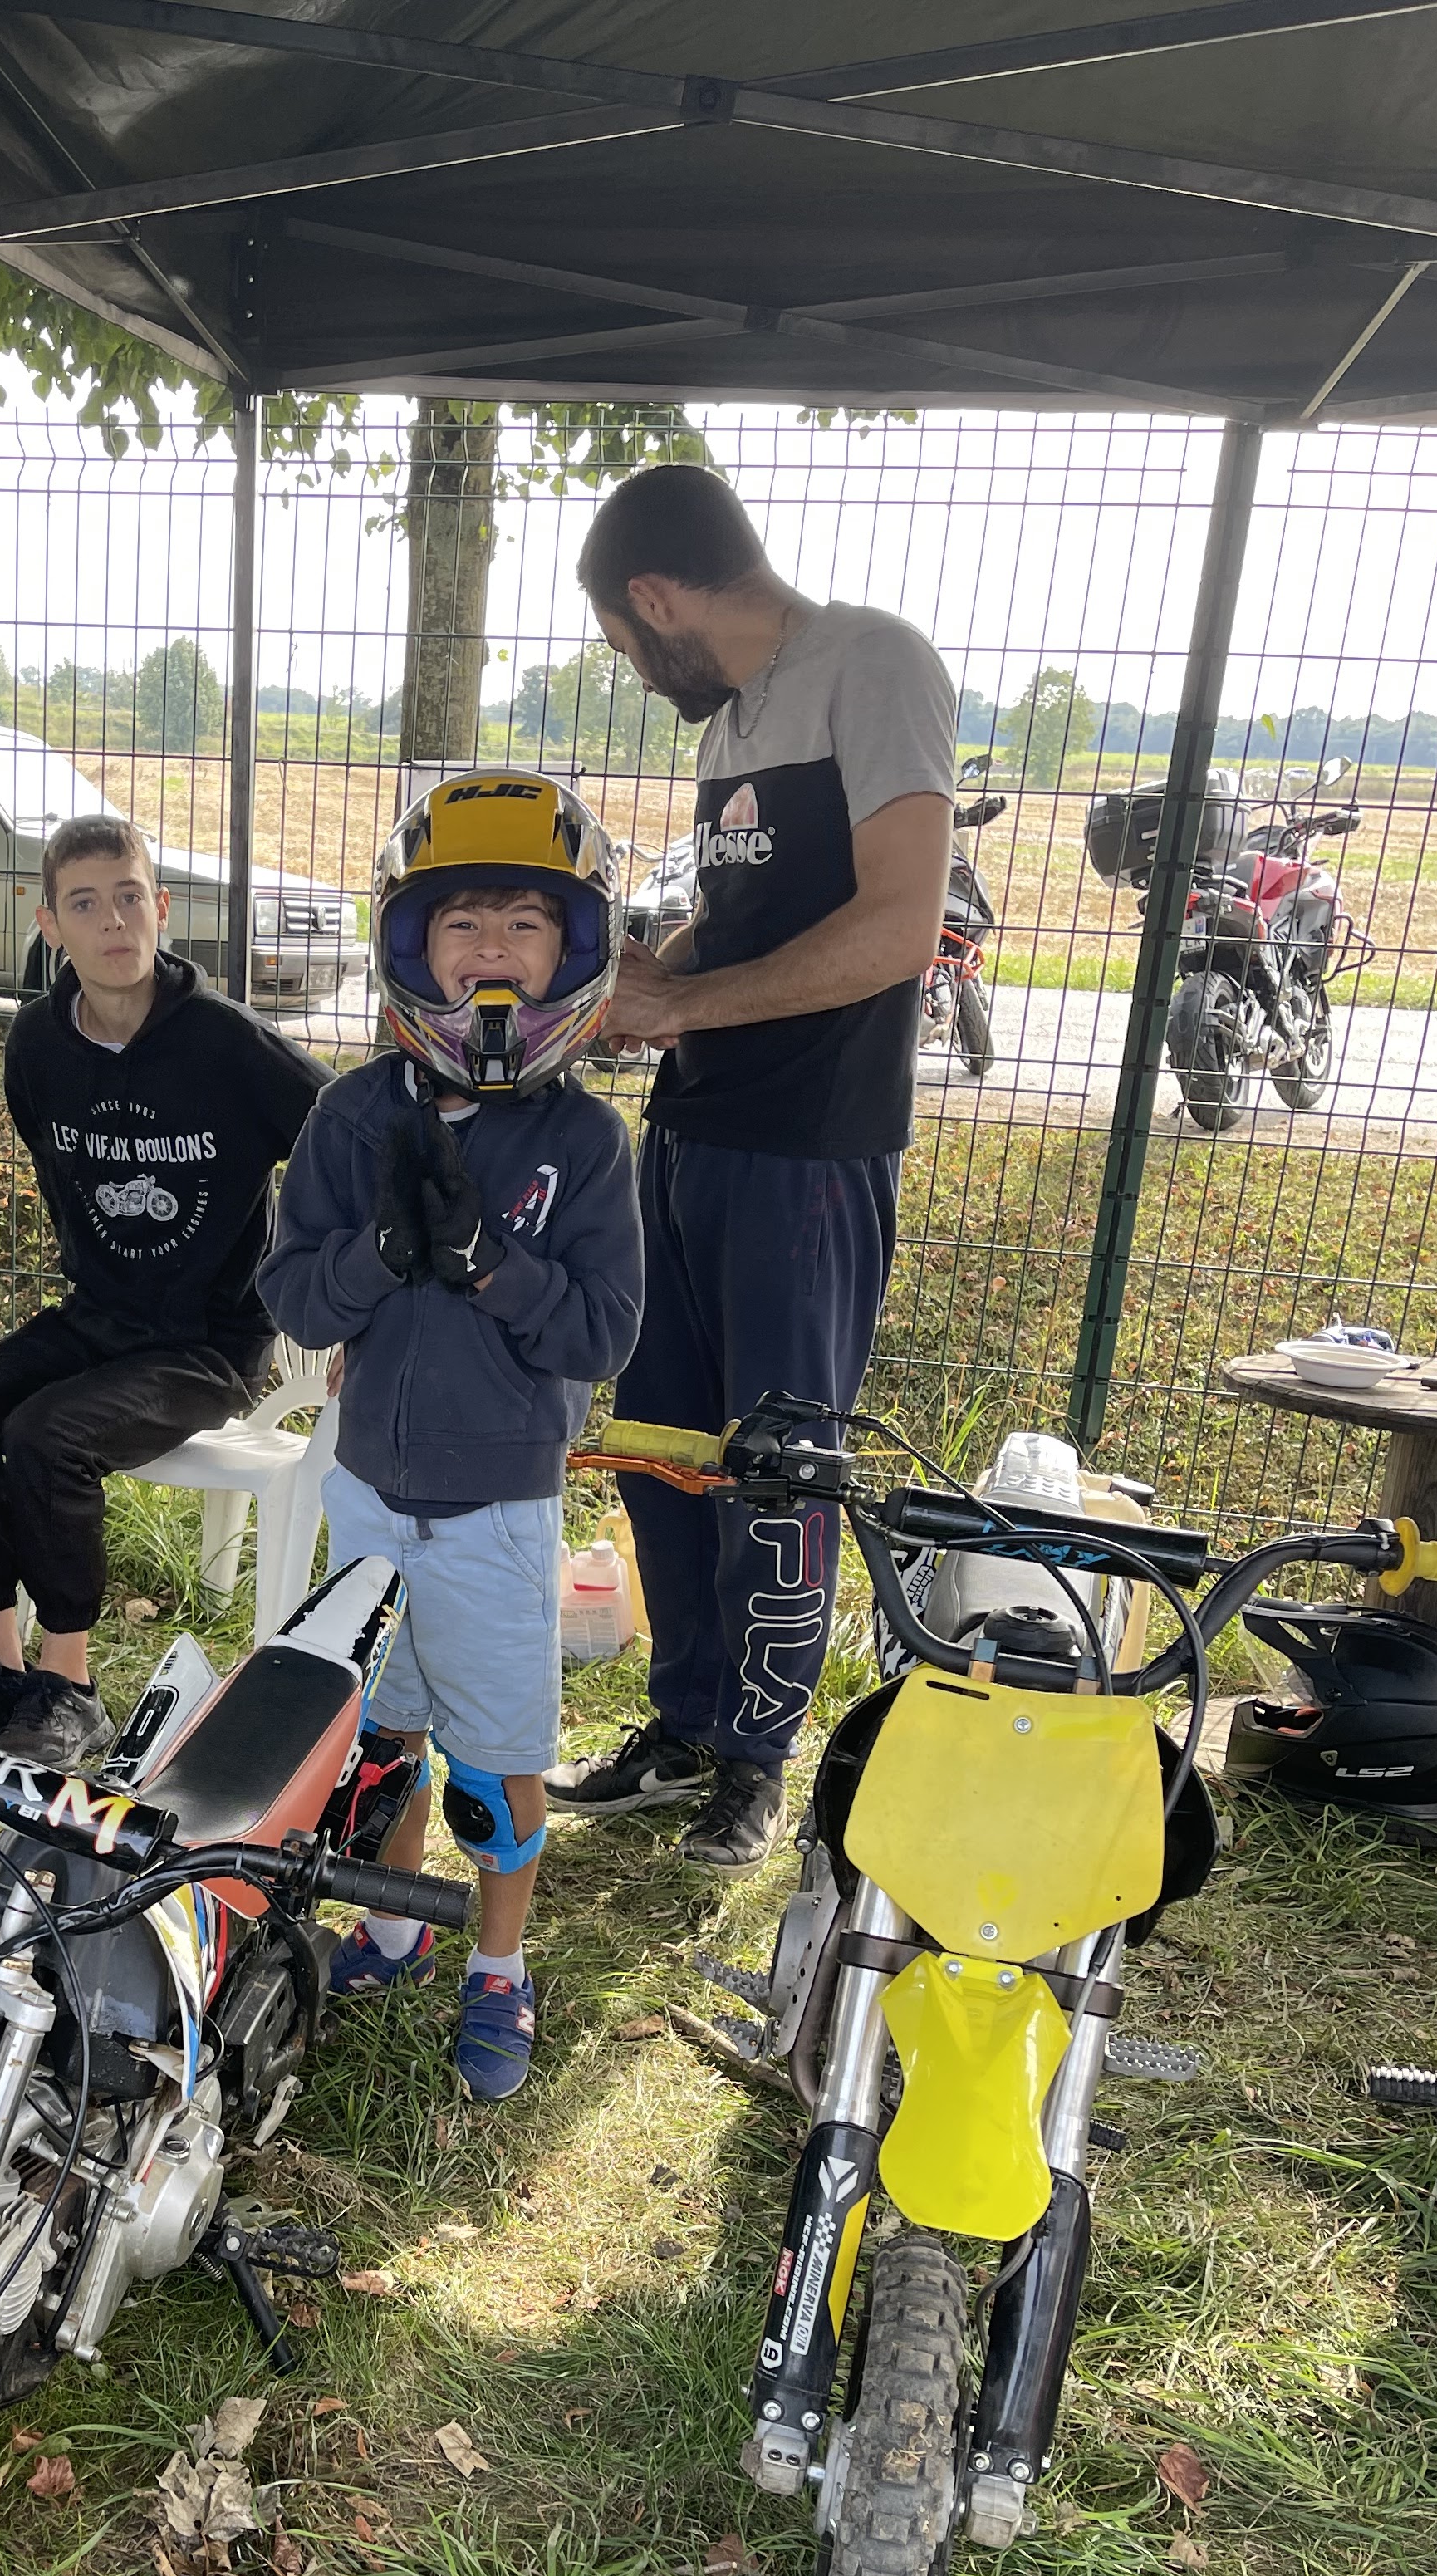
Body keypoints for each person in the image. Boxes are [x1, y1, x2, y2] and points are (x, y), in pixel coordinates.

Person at [547, 463, 956, 1867]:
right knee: (660, 1444)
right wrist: (639, 977)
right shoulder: (730, 719)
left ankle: (755, 1761)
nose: (628, 665)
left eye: (620, 637)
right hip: (691, 1132)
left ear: (655, 596)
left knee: (778, 1467)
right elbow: (745, 921)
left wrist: (682, 1004)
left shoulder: (872, 663)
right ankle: (682, 1724)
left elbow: (898, 929)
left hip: (810, 1149)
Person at [261, 774, 640, 2103]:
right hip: (368, 1493)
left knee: (493, 1760)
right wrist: (376, 1255)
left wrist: (493, 1265)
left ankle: (499, 1965)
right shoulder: (353, 1115)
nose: (492, 948)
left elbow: (602, 1334)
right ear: (410, 947)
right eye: (462, 921)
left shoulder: (586, 1142)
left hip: (496, 1513)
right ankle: (392, 1924)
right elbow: (295, 1298)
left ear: (572, 953)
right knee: (383, 1736)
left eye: (525, 923)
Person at [0, 815, 325, 1769]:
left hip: (208, 1344)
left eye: (130, 897)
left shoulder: (226, 1043)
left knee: (46, 1435)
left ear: (160, 907)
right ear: (50, 924)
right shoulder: (38, 1044)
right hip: (98, 1318)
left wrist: (334, 1291)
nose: (113, 923)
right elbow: (53, 1163)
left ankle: (71, 1688)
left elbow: (345, 1135)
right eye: (86, 905)